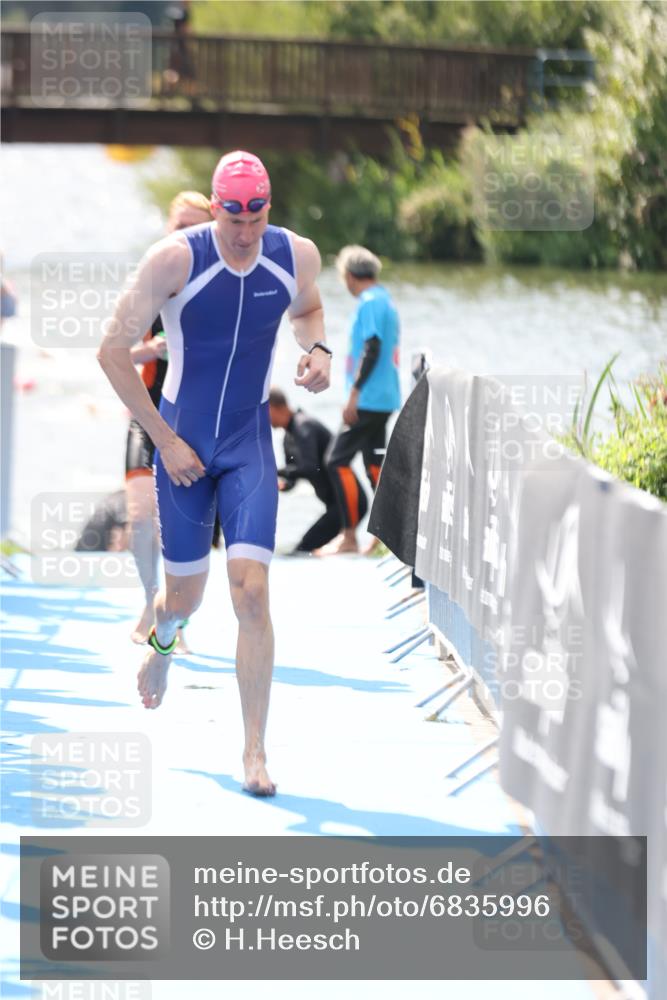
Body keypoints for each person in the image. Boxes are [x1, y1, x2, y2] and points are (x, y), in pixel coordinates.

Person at [98, 150, 330, 796]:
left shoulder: (294, 255)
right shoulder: (175, 259)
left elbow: (308, 309)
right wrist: (164, 441)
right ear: (214, 205)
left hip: (248, 441)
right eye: (233, 216)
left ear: (268, 210)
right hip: (182, 444)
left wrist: (317, 350)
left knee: (251, 592)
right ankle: (165, 640)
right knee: (184, 600)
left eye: (256, 217)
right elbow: (111, 352)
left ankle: (254, 751)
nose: (244, 231)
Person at [126, 191, 212, 648]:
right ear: (167, 228)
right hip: (148, 413)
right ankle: (149, 597)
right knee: (141, 516)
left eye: (195, 227)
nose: (185, 234)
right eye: (179, 225)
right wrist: (155, 349)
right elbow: (118, 350)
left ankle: (175, 615)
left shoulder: (218, 285)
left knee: (181, 525)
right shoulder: (150, 282)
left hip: (194, 421)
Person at [317, 245, 400, 556]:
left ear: (349, 276)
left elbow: (373, 347)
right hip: (384, 397)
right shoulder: (385, 300)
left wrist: (354, 394)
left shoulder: (369, 303)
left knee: (336, 460)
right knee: (374, 464)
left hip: (368, 398)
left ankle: (349, 536)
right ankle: (386, 535)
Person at [269, 387, 367, 553]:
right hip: (334, 507)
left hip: (350, 504)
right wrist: (283, 484)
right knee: (304, 548)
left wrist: (274, 472)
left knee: (303, 549)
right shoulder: (288, 437)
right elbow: (293, 477)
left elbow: (310, 468)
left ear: (276, 407)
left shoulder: (304, 426)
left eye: (264, 412)